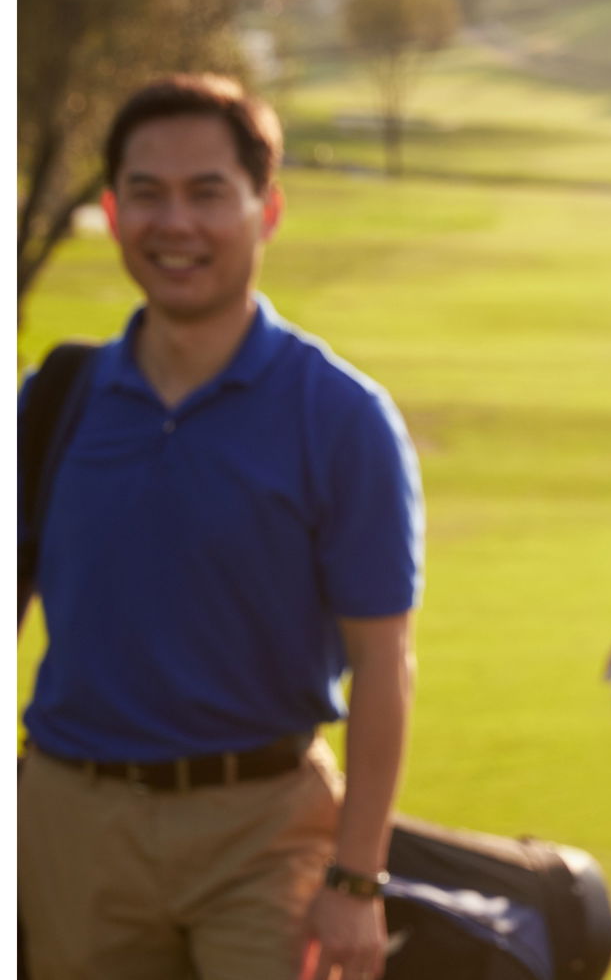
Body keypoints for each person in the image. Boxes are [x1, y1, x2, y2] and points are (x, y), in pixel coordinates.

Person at [17, 74, 424, 980]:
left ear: (266, 209)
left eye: (208, 193)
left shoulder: (340, 416)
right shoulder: (53, 405)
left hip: (264, 826)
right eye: (148, 195)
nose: (177, 224)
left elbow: (384, 665)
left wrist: (358, 878)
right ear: (114, 211)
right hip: (71, 820)